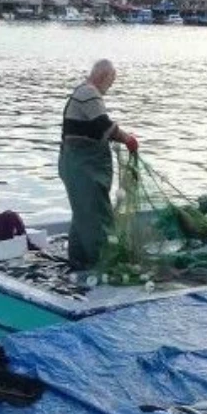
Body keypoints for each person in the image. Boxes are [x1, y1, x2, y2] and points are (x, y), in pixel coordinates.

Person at [58, 59, 139, 269]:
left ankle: (78, 260)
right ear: (104, 76)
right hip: (82, 167)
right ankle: (103, 261)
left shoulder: (82, 91)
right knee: (96, 214)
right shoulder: (90, 93)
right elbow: (105, 126)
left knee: (83, 213)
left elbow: (95, 128)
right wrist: (128, 139)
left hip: (77, 164)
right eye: (111, 82)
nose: (109, 88)